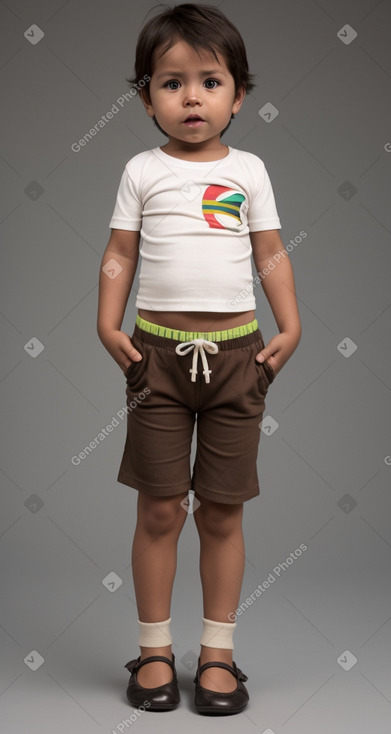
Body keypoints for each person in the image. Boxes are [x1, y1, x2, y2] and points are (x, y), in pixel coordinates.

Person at [97, 2, 301, 716]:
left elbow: (267, 250)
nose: (190, 97)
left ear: (238, 96)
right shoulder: (140, 169)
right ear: (147, 98)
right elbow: (121, 253)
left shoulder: (249, 168)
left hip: (238, 359)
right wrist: (106, 321)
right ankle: (155, 649)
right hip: (155, 360)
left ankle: (218, 652)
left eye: (209, 81)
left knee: (221, 511)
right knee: (158, 509)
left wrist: (291, 323)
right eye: (170, 82)